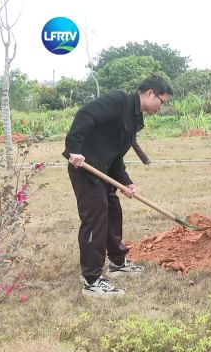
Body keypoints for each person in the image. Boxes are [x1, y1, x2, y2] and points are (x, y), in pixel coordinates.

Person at [63, 74, 173, 298]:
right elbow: (86, 114)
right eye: (162, 101)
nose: (162, 107)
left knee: (113, 212)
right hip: (85, 167)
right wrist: (74, 149)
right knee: (95, 218)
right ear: (150, 93)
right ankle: (91, 279)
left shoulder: (134, 118)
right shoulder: (118, 101)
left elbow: (116, 153)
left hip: (104, 169)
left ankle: (117, 262)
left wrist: (126, 181)